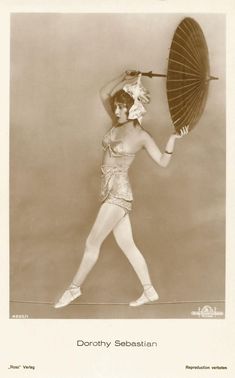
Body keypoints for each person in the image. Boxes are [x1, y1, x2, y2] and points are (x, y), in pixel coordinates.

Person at [54, 71, 188, 309]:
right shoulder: (115, 123)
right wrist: (125, 78)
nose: (115, 111)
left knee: (91, 242)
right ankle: (149, 290)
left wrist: (173, 139)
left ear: (132, 108)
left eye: (121, 107)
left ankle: (74, 288)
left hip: (119, 194)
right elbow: (103, 92)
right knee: (128, 245)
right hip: (107, 191)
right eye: (115, 107)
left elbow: (163, 162)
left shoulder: (142, 136)